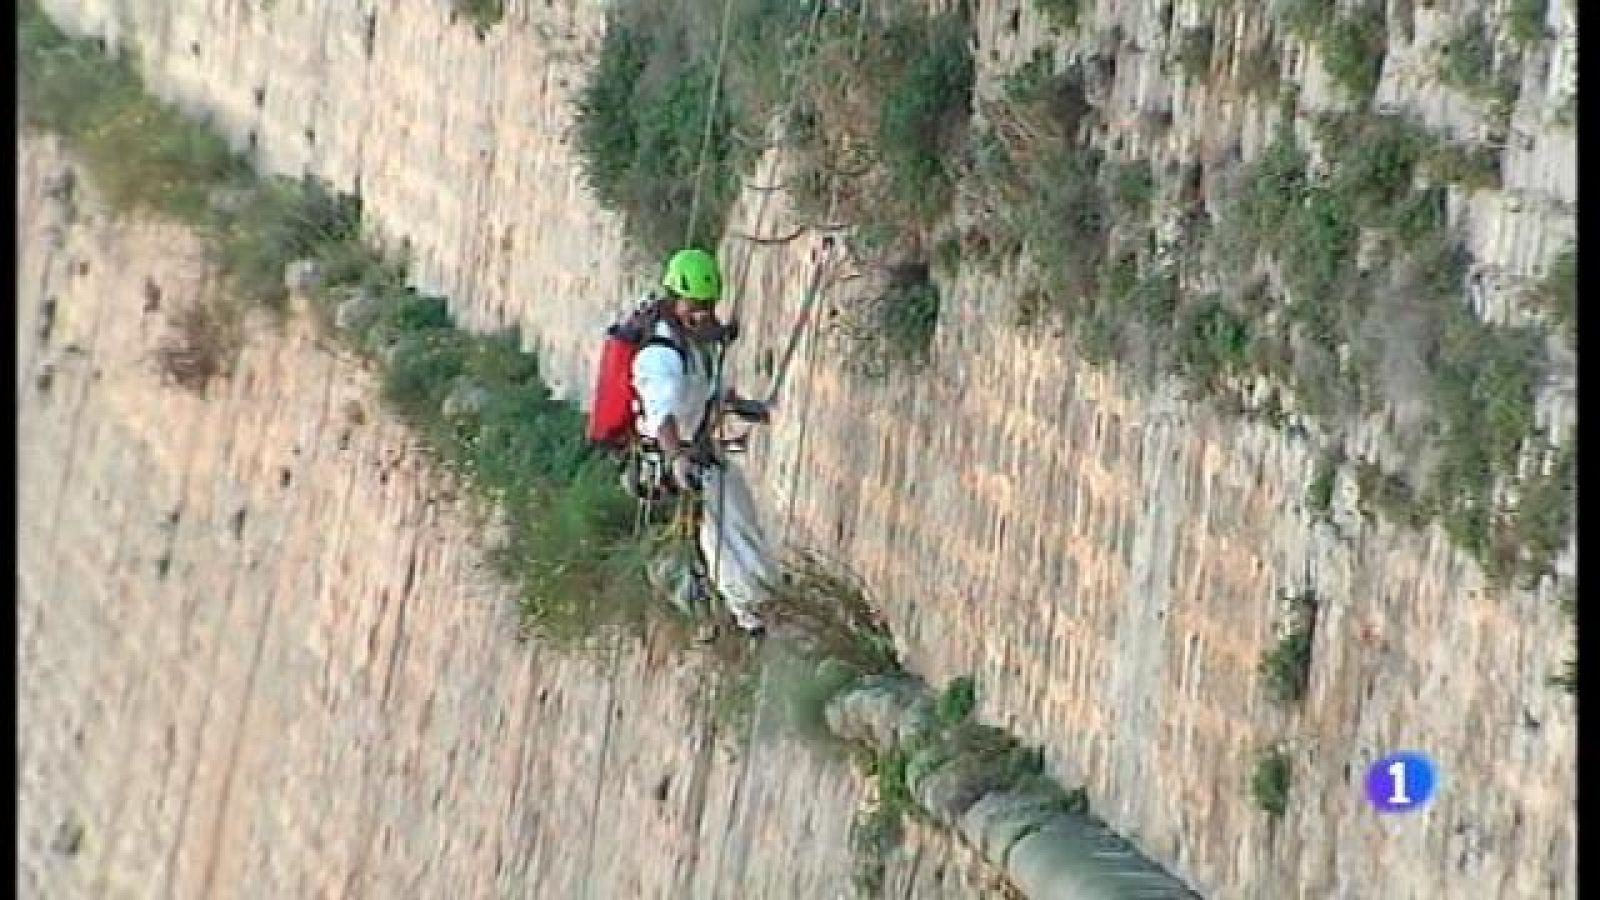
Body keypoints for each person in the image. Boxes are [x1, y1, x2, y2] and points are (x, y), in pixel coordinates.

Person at [632, 247, 774, 638]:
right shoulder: (660, 356)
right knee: (728, 531)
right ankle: (754, 614)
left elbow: (705, 389)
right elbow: (661, 416)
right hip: (683, 458)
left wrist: (743, 406)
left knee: (736, 524)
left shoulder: (692, 339)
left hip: (701, 450)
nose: (704, 314)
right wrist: (678, 458)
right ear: (676, 299)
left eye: (709, 306)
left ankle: (759, 605)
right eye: (697, 305)